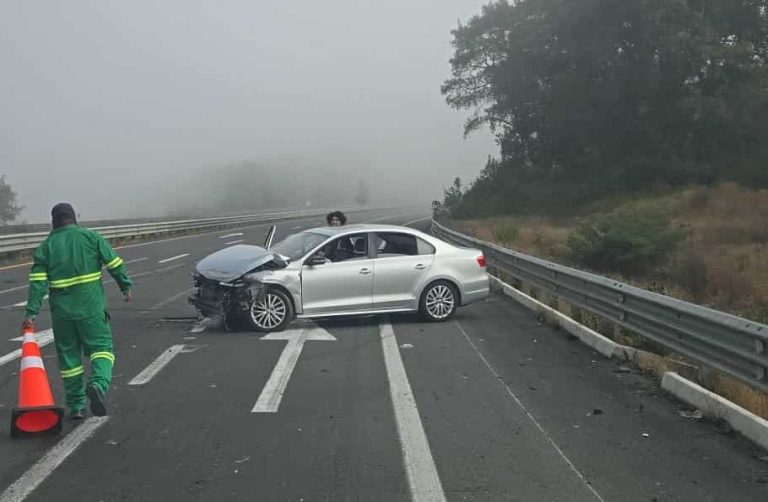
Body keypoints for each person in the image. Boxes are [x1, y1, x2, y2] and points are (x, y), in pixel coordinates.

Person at [22, 203, 133, 419]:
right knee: (102, 350)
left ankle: (76, 406)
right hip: (91, 310)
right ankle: (98, 385)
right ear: (75, 218)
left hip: (63, 315)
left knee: (70, 361)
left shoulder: (46, 246)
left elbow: (37, 283)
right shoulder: (92, 238)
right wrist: (125, 286)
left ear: (53, 222)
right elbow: (114, 263)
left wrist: (31, 313)